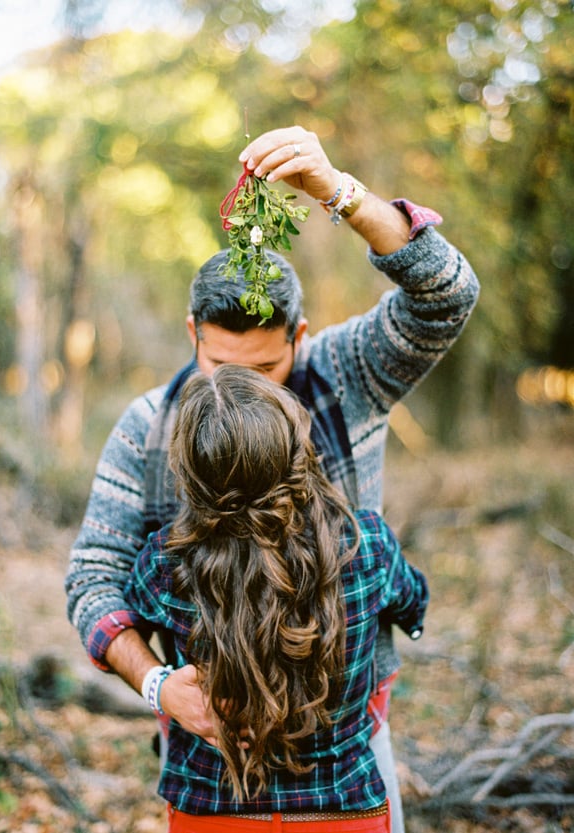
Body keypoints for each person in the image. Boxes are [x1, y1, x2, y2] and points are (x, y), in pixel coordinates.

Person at [65, 125, 480, 833]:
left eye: (263, 372)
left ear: (301, 335)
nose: (238, 391)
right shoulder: (148, 425)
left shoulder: (350, 371)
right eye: (219, 366)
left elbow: (446, 296)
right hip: (212, 757)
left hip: (348, 744)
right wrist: (162, 684)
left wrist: (336, 191)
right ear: (191, 331)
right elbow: (93, 579)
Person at [124, 364, 429, 831]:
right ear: (296, 452)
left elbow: (126, 619)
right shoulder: (366, 545)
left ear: (189, 473)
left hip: (214, 808)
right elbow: (414, 603)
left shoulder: (166, 564)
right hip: (342, 807)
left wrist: (159, 684)